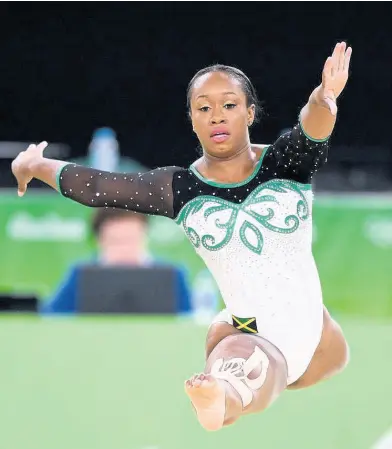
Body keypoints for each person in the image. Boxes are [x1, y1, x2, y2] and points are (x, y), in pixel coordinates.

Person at [12, 41, 352, 431]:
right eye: (203, 108)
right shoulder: (181, 188)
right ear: (191, 119)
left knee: (329, 359)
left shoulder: (285, 164)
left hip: (312, 329)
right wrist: (36, 165)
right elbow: (99, 186)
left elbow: (313, 125)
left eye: (229, 105)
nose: (216, 116)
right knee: (241, 373)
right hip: (246, 330)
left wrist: (324, 95)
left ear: (250, 113)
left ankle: (225, 394)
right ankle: (220, 392)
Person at [41, 207, 192, 314]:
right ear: (99, 241)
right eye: (116, 241)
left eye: (131, 239)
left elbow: (189, 322)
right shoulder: (81, 275)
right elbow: (50, 317)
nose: (125, 248)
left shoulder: (173, 276)